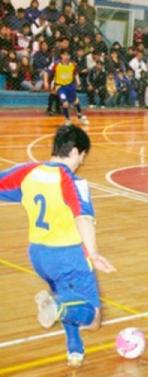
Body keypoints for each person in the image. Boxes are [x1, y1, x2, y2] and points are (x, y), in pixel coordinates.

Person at [0, 126, 116, 368]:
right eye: (83, 156)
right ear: (75, 151)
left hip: (39, 256)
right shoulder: (72, 181)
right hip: (69, 256)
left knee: (67, 296)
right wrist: (93, 254)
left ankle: (75, 348)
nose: (82, 162)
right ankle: (58, 307)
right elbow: (82, 217)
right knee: (92, 318)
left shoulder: (27, 172)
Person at [45, 49, 89, 126]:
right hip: (60, 87)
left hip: (70, 86)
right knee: (65, 103)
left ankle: (80, 116)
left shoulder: (72, 64)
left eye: (68, 55)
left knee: (76, 101)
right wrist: (46, 82)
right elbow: (46, 72)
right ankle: (68, 119)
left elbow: (75, 73)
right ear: (61, 56)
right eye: (64, 55)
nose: (66, 57)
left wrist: (78, 81)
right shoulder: (55, 64)